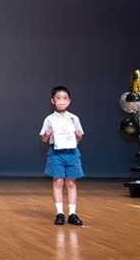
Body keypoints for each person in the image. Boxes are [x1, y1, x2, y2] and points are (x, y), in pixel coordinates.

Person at [39, 86, 84, 226]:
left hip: (72, 152)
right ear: (53, 101)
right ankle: (60, 213)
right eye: (58, 98)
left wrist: (78, 135)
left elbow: (80, 136)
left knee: (71, 182)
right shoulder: (49, 119)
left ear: (69, 101)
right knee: (58, 182)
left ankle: (72, 213)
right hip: (56, 153)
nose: (62, 101)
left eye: (65, 98)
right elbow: (43, 139)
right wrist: (47, 134)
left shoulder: (74, 118)